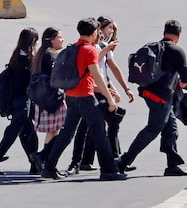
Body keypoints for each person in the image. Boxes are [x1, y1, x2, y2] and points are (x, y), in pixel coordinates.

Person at [39, 17, 126, 181]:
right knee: (100, 132)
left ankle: (49, 167)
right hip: (85, 96)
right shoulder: (89, 50)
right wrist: (110, 99)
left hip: (71, 95)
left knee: (66, 134)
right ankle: (108, 170)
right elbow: (97, 76)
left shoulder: (74, 47)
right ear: (94, 33)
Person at [117, 19, 187, 177]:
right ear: (178, 35)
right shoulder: (177, 51)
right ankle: (123, 161)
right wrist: (182, 83)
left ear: (164, 33)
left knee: (171, 129)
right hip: (162, 97)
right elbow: (185, 78)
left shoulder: (155, 47)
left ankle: (172, 165)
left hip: (149, 93)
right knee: (153, 128)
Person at [68, 16, 134, 173]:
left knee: (108, 124)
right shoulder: (92, 47)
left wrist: (124, 88)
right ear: (99, 30)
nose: (111, 31)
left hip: (102, 89)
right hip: (92, 90)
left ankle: (111, 160)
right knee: (88, 128)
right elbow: (92, 67)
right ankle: (83, 162)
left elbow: (111, 69)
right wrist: (105, 50)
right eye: (108, 28)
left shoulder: (104, 46)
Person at [0, 27, 42, 175]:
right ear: (32, 41)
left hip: (17, 101)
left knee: (28, 133)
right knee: (14, 133)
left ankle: (34, 163)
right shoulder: (28, 59)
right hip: (22, 102)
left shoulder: (17, 55)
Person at [31, 28, 67, 166]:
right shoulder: (51, 55)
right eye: (60, 36)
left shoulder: (41, 54)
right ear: (52, 39)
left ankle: (43, 160)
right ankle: (43, 157)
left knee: (53, 130)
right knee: (62, 129)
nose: (62, 39)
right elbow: (56, 77)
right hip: (52, 98)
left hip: (42, 98)